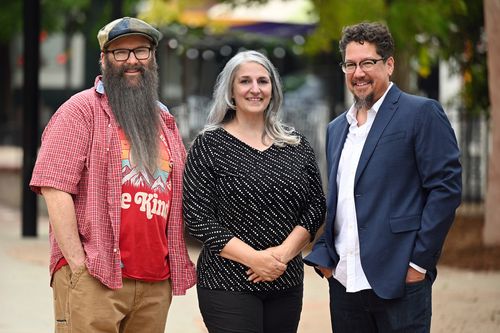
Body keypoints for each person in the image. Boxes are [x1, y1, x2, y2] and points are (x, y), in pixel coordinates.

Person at [30, 17, 196, 333]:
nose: (132, 60)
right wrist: (78, 265)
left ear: (153, 57)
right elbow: (54, 186)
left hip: (154, 282)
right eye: (120, 52)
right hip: (96, 275)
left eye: (142, 50)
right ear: (104, 59)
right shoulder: (80, 109)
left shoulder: (164, 119)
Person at [304, 22, 462, 332]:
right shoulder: (337, 128)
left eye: (367, 63)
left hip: (400, 279)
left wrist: (418, 263)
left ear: (389, 64)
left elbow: (446, 189)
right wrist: (327, 257)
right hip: (345, 282)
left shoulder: (421, 113)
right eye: (350, 64)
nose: (358, 72)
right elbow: (341, 199)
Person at [182, 50, 326, 333]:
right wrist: (255, 259)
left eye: (263, 81)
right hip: (226, 282)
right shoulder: (208, 145)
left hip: (285, 280)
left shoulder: (295, 145)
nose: (255, 89)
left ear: (273, 89)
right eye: (245, 81)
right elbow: (197, 217)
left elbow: (315, 206)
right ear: (230, 91)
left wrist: (282, 255)